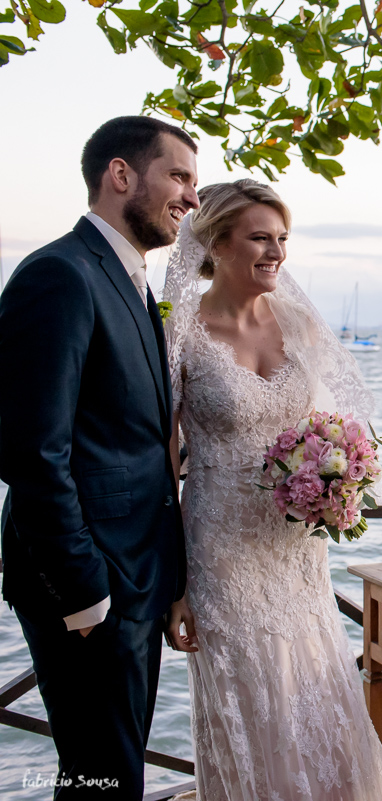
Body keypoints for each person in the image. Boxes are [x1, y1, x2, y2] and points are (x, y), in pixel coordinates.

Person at [160, 179, 382, 800]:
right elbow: (164, 459)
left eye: (282, 238)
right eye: (260, 238)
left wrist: (341, 473)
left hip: (296, 545)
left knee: (316, 685)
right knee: (249, 701)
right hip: (220, 549)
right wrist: (175, 583)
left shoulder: (297, 322)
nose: (277, 252)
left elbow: (328, 424)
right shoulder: (180, 328)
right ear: (217, 244)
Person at [0, 116, 198, 797]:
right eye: (178, 176)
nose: (191, 197)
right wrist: (84, 592)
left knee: (113, 773)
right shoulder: (60, 275)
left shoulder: (131, 280)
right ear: (120, 175)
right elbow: (31, 450)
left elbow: (129, 435)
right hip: (87, 587)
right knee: (102, 778)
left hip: (136, 576)